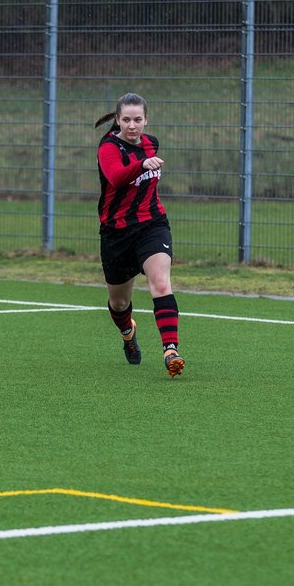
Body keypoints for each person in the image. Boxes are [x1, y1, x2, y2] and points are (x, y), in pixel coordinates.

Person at [95, 92, 184, 377]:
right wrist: (141, 165)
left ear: (146, 120)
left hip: (151, 225)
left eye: (137, 120)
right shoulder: (108, 147)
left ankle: (171, 349)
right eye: (126, 120)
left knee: (160, 282)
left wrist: (145, 162)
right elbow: (116, 177)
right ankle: (127, 332)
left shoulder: (151, 143)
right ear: (117, 120)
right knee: (119, 303)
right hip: (117, 234)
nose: (132, 126)